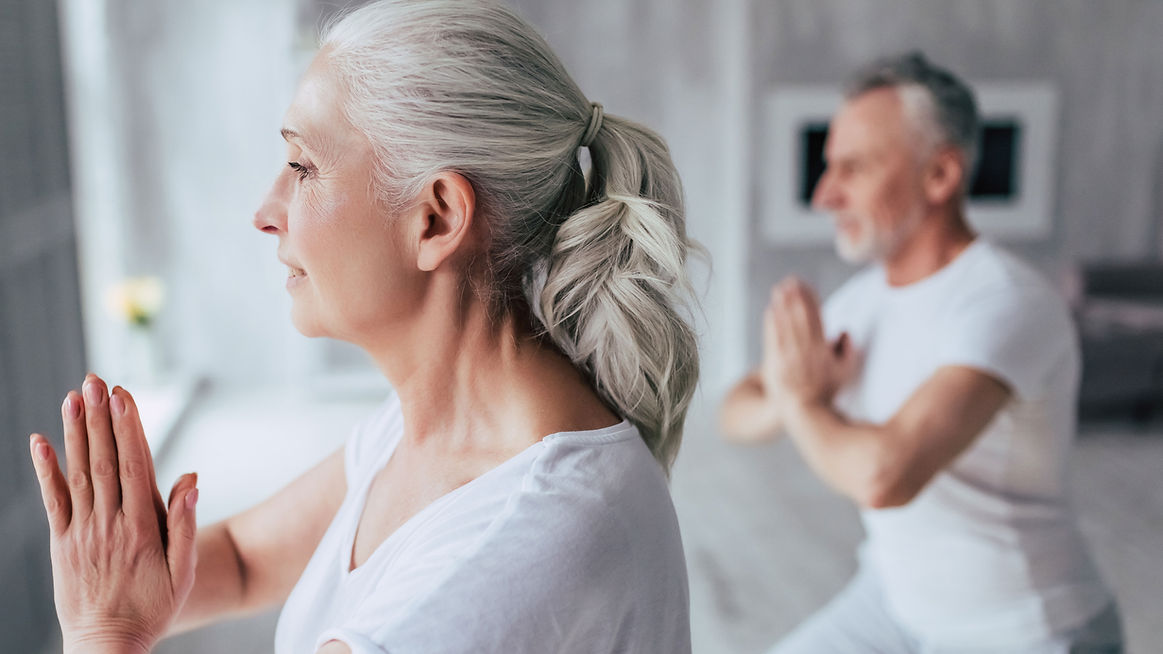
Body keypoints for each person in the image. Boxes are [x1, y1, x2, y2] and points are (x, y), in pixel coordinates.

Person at [26, 1, 701, 652]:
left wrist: (102, 633)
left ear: (435, 218)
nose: (265, 211)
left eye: (302, 167)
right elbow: (244, 561)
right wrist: (117, 574)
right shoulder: (431, 430)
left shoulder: (521, 537)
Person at [721, 52, 1122, 653]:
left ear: (939, 175)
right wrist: (791, 390)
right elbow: (735, 408)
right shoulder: (863, 300)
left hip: (1023, 627)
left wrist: (803, 401)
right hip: (891, 602)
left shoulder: (1004, 302)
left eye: (853, 168)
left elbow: (884, 477)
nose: (825, 195)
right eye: (828, 168)